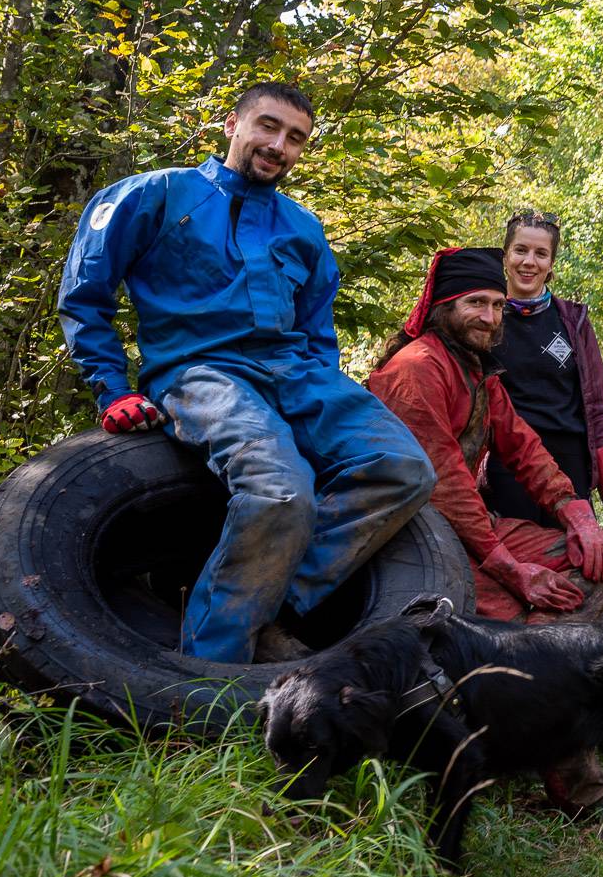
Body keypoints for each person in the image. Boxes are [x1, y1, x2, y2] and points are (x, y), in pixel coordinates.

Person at [57, 82, 434, 664]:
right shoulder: (155, 195)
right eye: (267, 126)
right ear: (231, 124)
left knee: (403, 469)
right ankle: (209, 673)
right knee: (280, 490)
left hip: (296, 374)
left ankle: (263, 603)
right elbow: (86, 295)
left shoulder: (302, 229)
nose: (278, 145)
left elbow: (317, 330)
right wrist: (112, 387)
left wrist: (318, 416)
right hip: (200, 372)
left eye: (295, 138)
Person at [369, 248, 603, 820]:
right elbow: (442, 482)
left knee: (591, 564)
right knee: (518, 622)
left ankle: (524, 715)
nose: (490, 317)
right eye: (475, 304)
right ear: (443, 307)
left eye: (495, 305)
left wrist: (579, 516)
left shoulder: (475, 370)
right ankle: (569, 777)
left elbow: (524, 448)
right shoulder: (418, 370)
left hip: (461, 531)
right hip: (407, 542)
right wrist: (510, 567)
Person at [480, 211, 603, 545]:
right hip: (509, 466)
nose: (529, 262)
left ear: (551, 264)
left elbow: (596, 410)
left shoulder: (572, 322)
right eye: (520, 251)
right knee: (516, 561)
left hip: (569, 464)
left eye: (541, 254)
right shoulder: (484, 318)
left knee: (573, 564)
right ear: (505, 256)